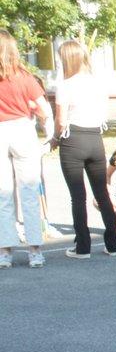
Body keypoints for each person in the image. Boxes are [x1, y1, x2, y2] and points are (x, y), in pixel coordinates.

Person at [51, 39, 116, 259]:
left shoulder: (65, 85)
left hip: (73, 139)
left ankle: (82, 246)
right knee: (102, 193)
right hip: (95, 138)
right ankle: (113, 244)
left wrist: (54, 138)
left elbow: (61, 120)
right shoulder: (97, 82)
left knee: (78, 196)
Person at [0, 30, 51, 268]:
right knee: (29, 190)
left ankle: (5, 252)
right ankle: (34, 250)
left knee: (3, 194)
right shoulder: (25, 77)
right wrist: (47, 132)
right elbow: (44, 110)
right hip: (22, 129)